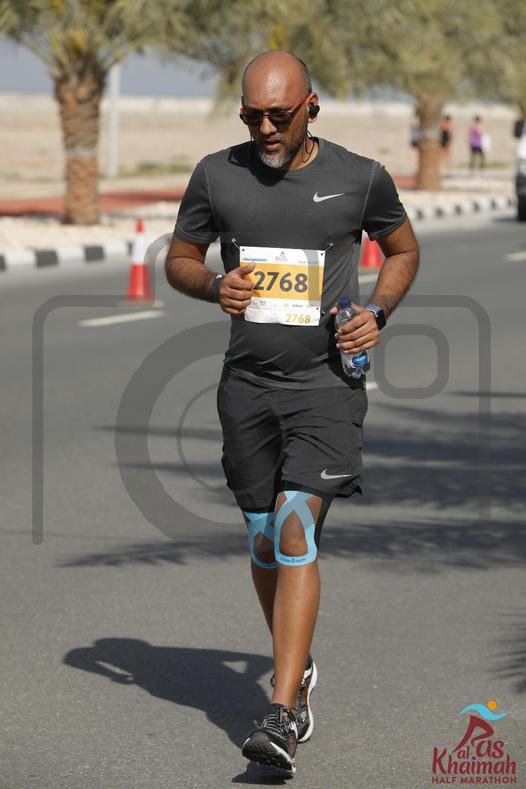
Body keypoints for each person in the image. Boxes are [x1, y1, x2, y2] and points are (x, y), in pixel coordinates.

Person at [165, 50, 419, 778]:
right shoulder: (217, 175)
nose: (267, 129)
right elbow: (180, 258)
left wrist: (376, 313)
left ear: (312, 106)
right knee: (261, 543)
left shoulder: (360, 177)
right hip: (247, 387)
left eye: (280, 114)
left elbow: (402, 250)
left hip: (325, 385)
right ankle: (297, 665)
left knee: (293, 527)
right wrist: (213, 286)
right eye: (253, 116)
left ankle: (280, 713)